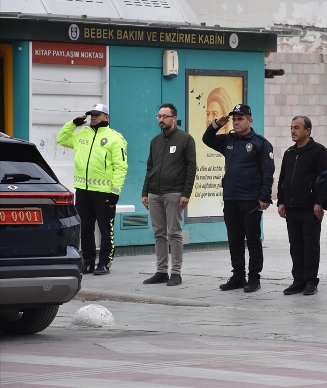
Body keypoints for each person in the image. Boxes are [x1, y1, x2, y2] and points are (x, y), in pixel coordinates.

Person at [202, 104, 275, 293]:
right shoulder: (228, 140)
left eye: (240, 119)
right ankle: (238, 276)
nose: (236, 122)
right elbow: (207, 139)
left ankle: (254, 278)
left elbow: (268, 171)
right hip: (231, 198)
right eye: (234, 119)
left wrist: (265, 196)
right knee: (234, 240)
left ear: (250, 121)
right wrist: (217, 124)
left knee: (253, 240)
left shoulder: (260, 143)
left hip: (250, 200)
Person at [56, 103, 128, 276]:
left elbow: (121, 167)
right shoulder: (82, 134)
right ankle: (88, 262)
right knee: (85, 228)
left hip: (104, 192)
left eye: (97, 114)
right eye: (91, 115)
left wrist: (115, 192)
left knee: (105, 229)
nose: (93, 117)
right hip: (83, 190)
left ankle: (104, 262)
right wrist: (74, 123)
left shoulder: (115, 138)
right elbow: (61, 139)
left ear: (106, 117)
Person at [141, 103, 197, 287]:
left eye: (165, 116)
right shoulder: (155, 141)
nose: (161, 120)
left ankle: (176, 272)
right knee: (159, 233)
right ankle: (161, 271)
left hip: (174, 192)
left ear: (174, 118)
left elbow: (191, 168)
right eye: (159, 116)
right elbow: (150, 167)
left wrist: (186, 193)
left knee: (174, 233)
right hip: (154, 193)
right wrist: (145, 192)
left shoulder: (185, 139)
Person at [277, 116, 327, 295]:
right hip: (291, 208)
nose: (293, 131)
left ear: (308, 131)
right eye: (291, 127)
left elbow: (324, 180)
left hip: (310, 208)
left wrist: (319, 202)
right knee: (295, 245)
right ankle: (298, 280)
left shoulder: (319, 151)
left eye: (297, 128)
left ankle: (311, 281)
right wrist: (281, 202)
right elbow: (283, 179)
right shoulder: (289, 153)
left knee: (310, 246)